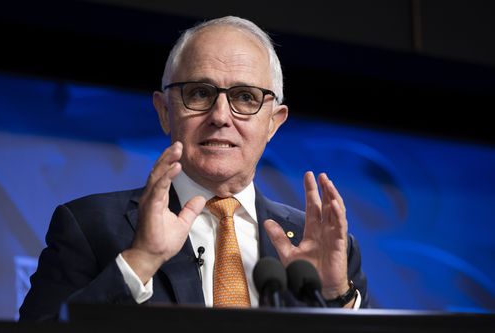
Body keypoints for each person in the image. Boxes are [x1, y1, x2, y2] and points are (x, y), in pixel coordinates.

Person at [19, 16, 369, 321]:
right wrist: (140, 261)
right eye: (200, 93)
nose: (220, 116)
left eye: (245, 97)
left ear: (274, 123)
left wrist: (335, 296)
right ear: (164, 111)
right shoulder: (88, 225)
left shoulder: (322, 245)